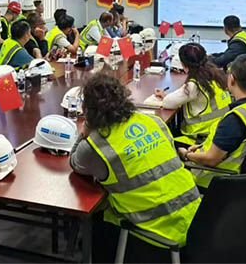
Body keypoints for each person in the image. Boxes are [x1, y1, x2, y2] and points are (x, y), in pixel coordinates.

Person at [70, 73, 200, 263]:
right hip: (197, 221)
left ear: (86, 109)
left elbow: (75, 162)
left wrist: (86, 130)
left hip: (158, 237)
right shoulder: (154, 122)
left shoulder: (96, 145)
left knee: (98, 214)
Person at [177, 55, 246, 189]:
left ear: (231, 79)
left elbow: (211, 159)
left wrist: (187, 155)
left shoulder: (235, 120)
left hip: (211, 178)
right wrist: (200, 147)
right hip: (235, 173)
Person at [153, 43, 231, 146]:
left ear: (184, 65)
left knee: (163, 141)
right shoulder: (216, 75)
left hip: (200, 138)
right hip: (220, 132)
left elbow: (168, 103)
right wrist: (166, 95)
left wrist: (165, 97)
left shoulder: (194, 85)